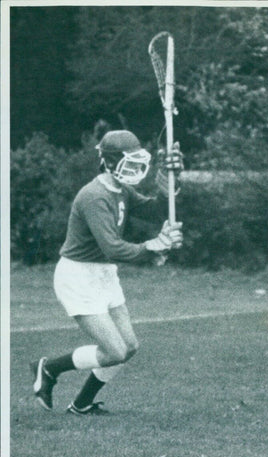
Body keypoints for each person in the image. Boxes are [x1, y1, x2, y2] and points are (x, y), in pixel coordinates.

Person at [30, 130, 184, 415]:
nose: (137, 171)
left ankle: (82, 404)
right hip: (78, 277)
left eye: (140, 164)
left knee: (129, 346)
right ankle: (49, 368)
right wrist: (153, 246)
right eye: (130, 164)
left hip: (104, 275)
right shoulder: (94, 196)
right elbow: (113, 248)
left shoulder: (122, 190)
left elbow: (156, 210)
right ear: (111, 163)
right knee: (115, 351)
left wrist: (169, 179)